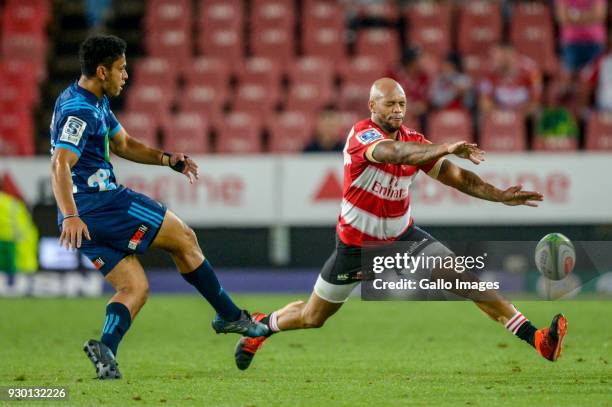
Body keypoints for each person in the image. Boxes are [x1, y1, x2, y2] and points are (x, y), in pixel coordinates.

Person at [233, 78, 566, 370]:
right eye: (390, 103)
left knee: (468, 282)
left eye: (402, 103)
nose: (397, 109)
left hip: (403, 238)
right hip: (357, 246)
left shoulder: (415, 140)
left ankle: (537, 339)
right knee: (312, 317)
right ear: (372, 104)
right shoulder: (361, 135)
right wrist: (445, 147)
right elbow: (395, 153)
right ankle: (264, 325)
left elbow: (454, 175)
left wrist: (499, 196)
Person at [49, 35, 269, 380]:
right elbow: (60, 164)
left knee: (134, 287)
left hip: (83, 217)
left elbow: (123, 144)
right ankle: (229, 315)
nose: (126, 75)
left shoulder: (89, 99)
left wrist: (166, 159)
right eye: (121, 69)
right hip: (101, 205)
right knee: (184, 237)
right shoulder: (81, 110)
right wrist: (73, 215)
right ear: (103, 71)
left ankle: (106, 349)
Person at [555, 0, 607, 74]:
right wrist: (589, 15)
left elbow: (599, 15)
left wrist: (573, 15)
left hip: (594, 42)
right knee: (570, 78)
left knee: (596, 78)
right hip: (570, 43)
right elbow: (562, 18)